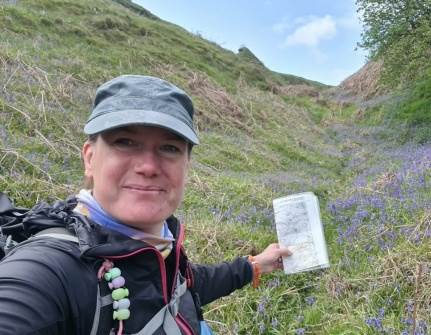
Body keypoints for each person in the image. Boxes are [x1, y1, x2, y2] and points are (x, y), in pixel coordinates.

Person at [0, 75, 291, 335]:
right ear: (90, 158)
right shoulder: (47, 272)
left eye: (169, 148)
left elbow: (178, 286)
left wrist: (254, 265)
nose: (149, 166)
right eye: (125, 141)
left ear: (186, 165)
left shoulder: (161, 244)